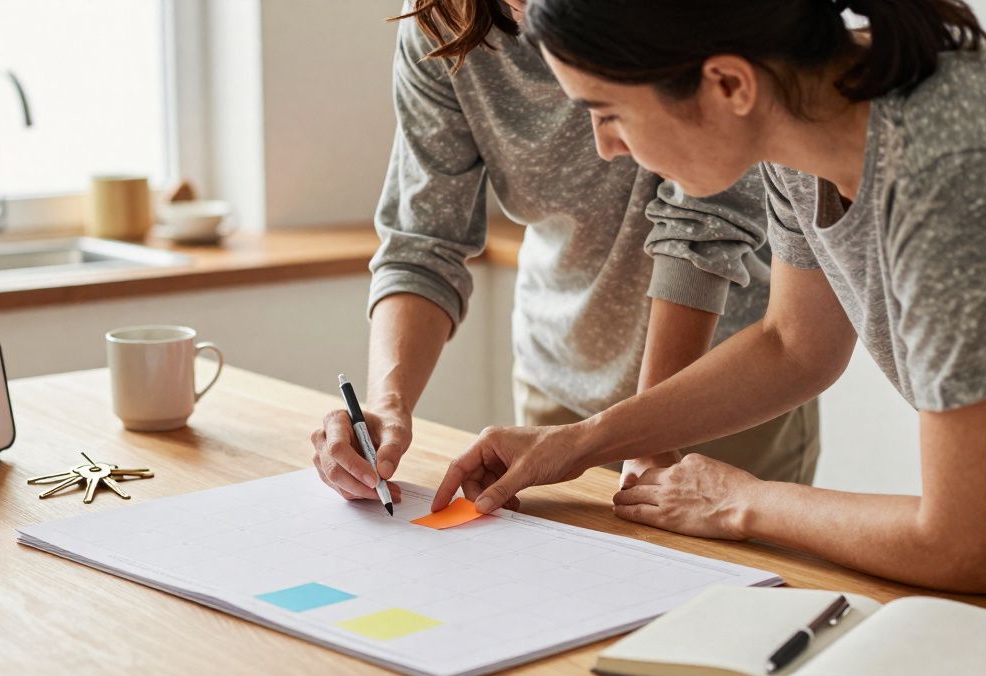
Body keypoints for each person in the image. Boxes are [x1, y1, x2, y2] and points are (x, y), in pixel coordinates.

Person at [434, 0, 986, 594]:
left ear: (726, 84)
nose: (608, 148)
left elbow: (967, 544)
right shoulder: (803, 119)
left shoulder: (957, 178)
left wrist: (743, 501)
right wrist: (582, 443)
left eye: (609, 113)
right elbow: (793, 344)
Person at [310, 0, 821, 507]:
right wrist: (386, 404)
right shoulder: (442, 20)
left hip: (721, 389)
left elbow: (705, 227)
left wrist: (647, 435)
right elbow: (423, 239)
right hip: (554, 383)